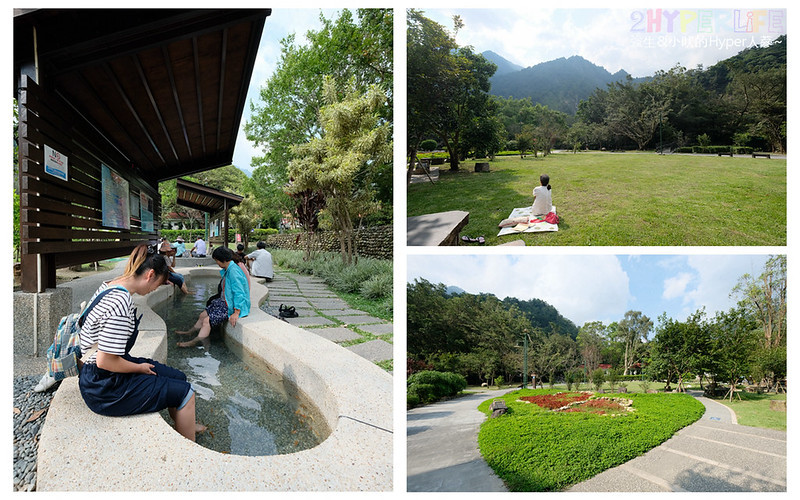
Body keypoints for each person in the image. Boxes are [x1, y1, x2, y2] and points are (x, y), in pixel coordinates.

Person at [78, 244, 205, 441]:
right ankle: (189, 452)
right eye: (159, 283)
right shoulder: (120, 303)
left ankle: (184, 420)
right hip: (105, 387)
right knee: (187, 393)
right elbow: (105, 361)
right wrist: (139, 368)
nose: (156, 288)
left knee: (179, 377)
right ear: (150, 275)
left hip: (100, 374)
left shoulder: (109, 285)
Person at [176, 246, 250, 348]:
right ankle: (190, 332)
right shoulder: (229, 268)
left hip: (231, 306)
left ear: (223, 260)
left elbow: (239, 293)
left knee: (207, 321)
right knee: (203, 315)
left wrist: (236, 312)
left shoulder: (233, 271)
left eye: (217, 261)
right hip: (225, 301)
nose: (217, 263)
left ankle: (194, 341)